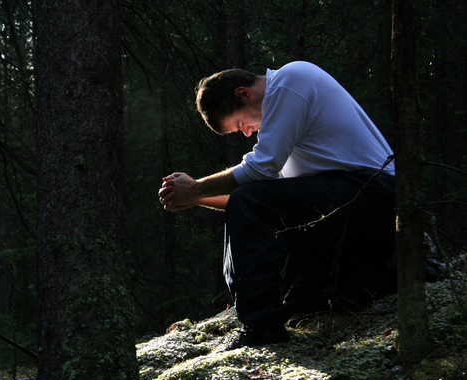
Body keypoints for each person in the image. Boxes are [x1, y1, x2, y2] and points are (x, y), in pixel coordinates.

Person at [158, 61, 396, 350]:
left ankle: (259, 326)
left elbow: (258, 175)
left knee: (250, 198)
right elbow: (263, 198)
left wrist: (196, 187)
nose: (247, 133)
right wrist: (196, 198)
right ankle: (392, 268)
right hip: (352, 207)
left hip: (374, 195)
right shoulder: (288, 121)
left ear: (244, 93)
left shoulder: (291, 80)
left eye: (240, 124)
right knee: (299, 307)